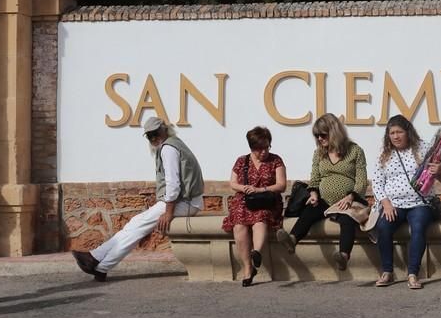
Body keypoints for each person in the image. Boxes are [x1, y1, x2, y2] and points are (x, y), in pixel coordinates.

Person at [71, 117, 204, 281]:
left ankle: (101, 266)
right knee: (135, 224)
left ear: (164, 129)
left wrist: (168, 213)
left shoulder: (168, 148)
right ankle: (96, 257)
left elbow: (173, 184)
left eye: (156, 133)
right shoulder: (172, 144)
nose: (154, 138)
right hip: (184, 201)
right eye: (150, 136)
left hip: (184, 202)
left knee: (137, 227)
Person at [276, 113, 367, 270]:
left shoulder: (355, 151)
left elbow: (361, 181)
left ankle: (343, 256)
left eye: (322, 135)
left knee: (347, 221)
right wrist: (313, 193)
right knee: (310, 210)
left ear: (334, 132)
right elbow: (315, 178)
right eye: (316, 135)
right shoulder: (319, 153)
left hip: (347, 200)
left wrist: (351, 197)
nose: (319, 139)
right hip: (324, 200)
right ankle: (292, 239)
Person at [371, 115, 441, 289]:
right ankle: (387, 271)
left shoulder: (424, 149)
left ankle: (413, 273)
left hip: (420, 202)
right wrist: (386, 204)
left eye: (399, 132)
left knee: (419, 226)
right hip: (394, 204)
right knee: (383, 227)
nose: (396, 136)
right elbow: (377, 182)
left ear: (408, 132)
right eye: (392, 133)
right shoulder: (385, 155)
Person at [223, 126, 286, 286]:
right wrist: (244, 188)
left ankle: (256, 252)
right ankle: (247, 268)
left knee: (261, 218)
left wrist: (260, 189)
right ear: (252, 147)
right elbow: (232, 183)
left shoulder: (276, 160)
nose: (263, 152)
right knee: (239, 225)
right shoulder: (242, 161)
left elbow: (281, 185)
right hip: (245, 200)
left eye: (266, 147)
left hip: (266, 200)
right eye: (259, 149)